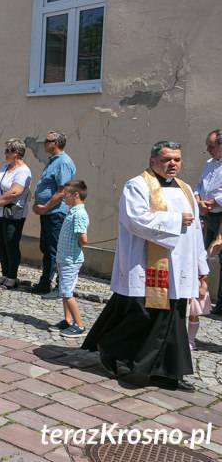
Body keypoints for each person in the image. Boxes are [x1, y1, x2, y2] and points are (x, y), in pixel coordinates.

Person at [82, 141, 208, 392]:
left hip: (179, 268)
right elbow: (135, 220)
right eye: (166, 159)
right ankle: (110, 347)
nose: (173, 164)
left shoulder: (185, 189)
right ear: (152, 161)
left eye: (177, 159)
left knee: (172, 320)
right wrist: (175, 220)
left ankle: (167, 373)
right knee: (143, 316)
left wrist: (201, 268)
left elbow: (195, 231)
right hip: (144, 265)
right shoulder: (137, 185)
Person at [31, 131, 76, 297]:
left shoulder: (63, 162)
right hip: (49, 212)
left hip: (56, 213)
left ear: (55, 143)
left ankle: (58, 286)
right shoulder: (54, 161)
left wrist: (45, 207)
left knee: (54, 250)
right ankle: (45, 282)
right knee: (46, 248)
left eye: (47, 140)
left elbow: (62, 190)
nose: (44, 143)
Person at [0, 138, 32, 290]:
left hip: (13, 212)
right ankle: (5, 274)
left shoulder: (23, 171)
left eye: (8, 150)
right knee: (2, 244)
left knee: (11, 244)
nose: (5, 153)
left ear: (17, 153)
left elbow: (15, 192)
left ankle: (12, 277)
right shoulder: (4, 167)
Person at [51, 179, 90, 338]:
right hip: (64, 258)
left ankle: (79, 325)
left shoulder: (79, 214)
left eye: (66, 194)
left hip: (71, 260)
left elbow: (83, 238)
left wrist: (79, 244)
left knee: (67, 293)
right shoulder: (72, 211)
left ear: (76, 195)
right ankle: (67, 320)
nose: (63, 197)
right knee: (64, 290)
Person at [193, 129, 222, 314]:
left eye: (211, 146)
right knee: (199, 255)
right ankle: (197, 297)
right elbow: (199, 185)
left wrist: (215, 202)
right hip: (205, 216)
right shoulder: (209, 164)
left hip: (220, 217)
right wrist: (197, 199)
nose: (208, 150)